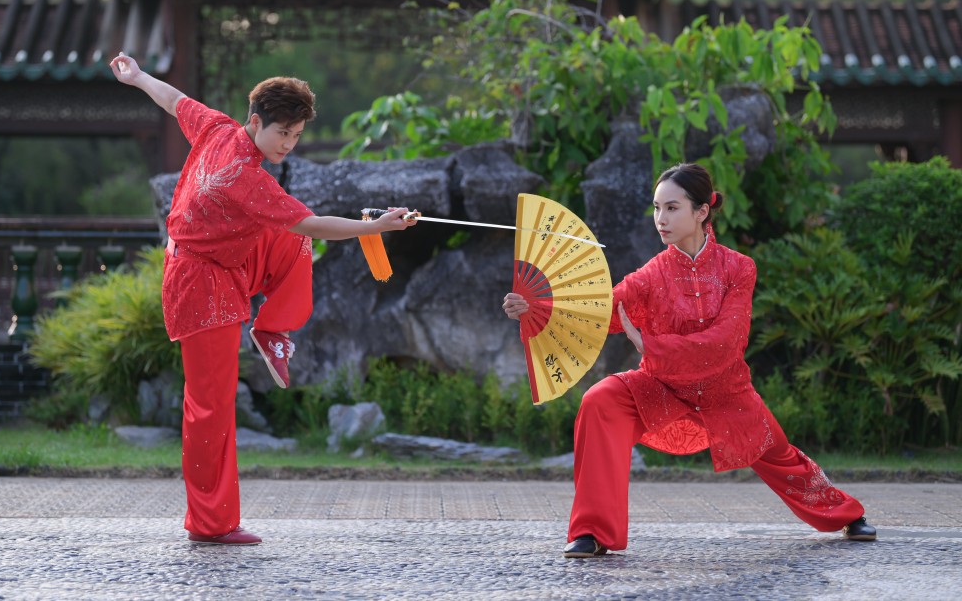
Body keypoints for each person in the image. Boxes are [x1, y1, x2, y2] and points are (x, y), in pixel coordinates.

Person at [110, 53, 417, 545]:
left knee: (292, 239)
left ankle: (271, 327)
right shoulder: (246, 178)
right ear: (256, 121)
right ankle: (210, 524)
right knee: (209, 407)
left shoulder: (215, 127)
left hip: (224, 262)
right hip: (200, 287)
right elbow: (315, 223)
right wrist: (375, 227)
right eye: (283, 135)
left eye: (296, 137)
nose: (288, 146)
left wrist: (138, 76)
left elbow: (174, 101)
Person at [502, 163, 877, 558]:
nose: (660, 219)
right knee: (600, 400)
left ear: (701, 212)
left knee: (779, 455)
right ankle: (592, 532)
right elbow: (599, 310)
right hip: (661, 388)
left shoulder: (739, 269)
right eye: (656, 208)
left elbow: (726, 342)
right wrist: (537, 306)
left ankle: (846, 515)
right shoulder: (652, 274)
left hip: (726, 393)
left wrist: (651, 346)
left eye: (672, 208)